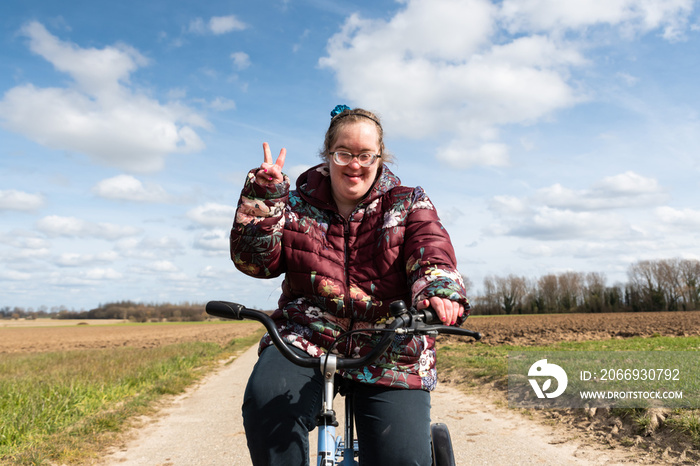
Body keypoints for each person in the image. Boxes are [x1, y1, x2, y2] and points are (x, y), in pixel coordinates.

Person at [230, 105, 469, 466]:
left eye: (365, 155)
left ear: (379, 157)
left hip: (390, 343)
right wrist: (264, 198)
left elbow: (431, 250)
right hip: (307, 335)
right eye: (344, 153)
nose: (354, 164)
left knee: (402, 458)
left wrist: (438, 289)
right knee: (266, 405)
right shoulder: (293, 205)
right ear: (328, 155)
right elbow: (255, 262)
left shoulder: (407, 203)